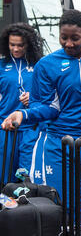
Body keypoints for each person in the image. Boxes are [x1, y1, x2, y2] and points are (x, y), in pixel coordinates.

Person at [1, 9, 81, 225]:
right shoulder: (47, 64)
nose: (69, 43)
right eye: (64, 38)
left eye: (75, 38)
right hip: (61, 144)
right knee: (66, 209)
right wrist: (22, 114)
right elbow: (48, 108)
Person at [0, 23, 44, 183]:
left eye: (20, 45)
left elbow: (50, 96)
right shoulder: (1, 65)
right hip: (6, 128)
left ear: (29, 44)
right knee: (5, 178)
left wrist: (33, 97)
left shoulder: (39, 65)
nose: (16, 49)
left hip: (31, 129)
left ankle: (27, 206)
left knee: (27, 177)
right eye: (12, 45)